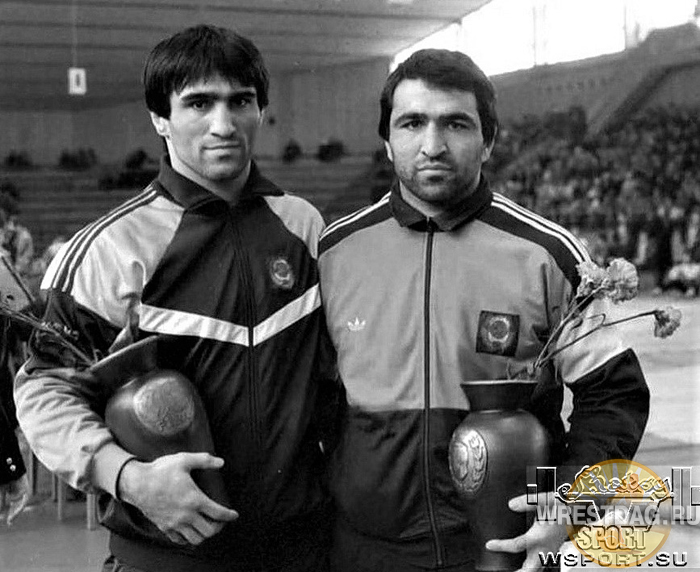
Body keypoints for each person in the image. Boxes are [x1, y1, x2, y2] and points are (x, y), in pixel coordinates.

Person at [15, 25, 334, 572]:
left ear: (261, 110)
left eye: (241, 101)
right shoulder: (111, 248)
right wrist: (129, 479)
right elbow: (45, 389)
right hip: (167, 552)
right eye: (199, 103)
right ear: (160, 119)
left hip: (299, 547)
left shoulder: (303, 225)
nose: (223, 125)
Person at [318, 49, 649, 572]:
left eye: (455, 124)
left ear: (488, 140)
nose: (432, 145)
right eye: (412, 123)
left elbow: (615, 395)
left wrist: (571, 504)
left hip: (505, 551)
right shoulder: (335, 253)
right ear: (386, 140)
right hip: (364, 550)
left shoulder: (549, 255)